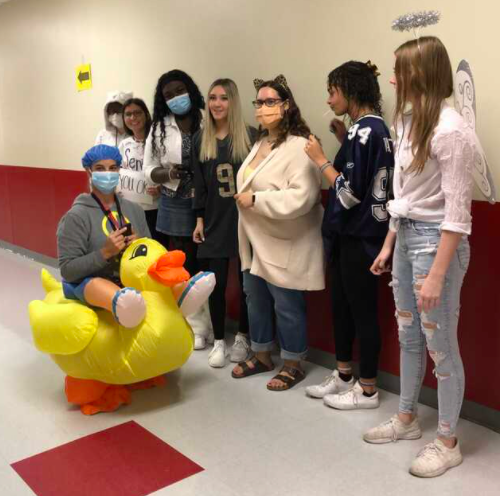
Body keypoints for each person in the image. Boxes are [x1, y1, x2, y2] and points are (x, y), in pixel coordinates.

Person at [363, 36, 475, 478]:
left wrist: (436, 275)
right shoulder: (409, 124)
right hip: (408, 238)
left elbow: (457, 213)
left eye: (399, 70)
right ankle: (407, 418)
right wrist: (390, 245)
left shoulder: (451, 130)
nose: (392, 79)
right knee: (408, 335)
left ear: (420, 74)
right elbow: (403, 195)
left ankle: (448, 440)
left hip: (436, 246)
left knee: (440, 347)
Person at [303, 61, 394, 409]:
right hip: (357, 234)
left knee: (360, 310)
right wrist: (343, 140)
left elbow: (348, 193)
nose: (329, 100)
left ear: (351, 91)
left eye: (333, 91)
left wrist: (320, 159)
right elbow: (367, 172)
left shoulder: (365, 131)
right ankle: (343, 374)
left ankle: (367, 387)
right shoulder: (372, 129)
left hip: (361, 235)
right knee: (341, 305)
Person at [231, 75, 324, 391]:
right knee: (254, 298)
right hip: (255, 240)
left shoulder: (301, 146)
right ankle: (261, 354)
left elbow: (305, 196)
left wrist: (257, 200)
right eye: (259, 102)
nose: (262, 108)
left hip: (286, 239)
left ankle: (294, 362)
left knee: (286, 302)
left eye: (270, 102)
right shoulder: (261, 142)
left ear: (286, 106)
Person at [192, 78, 257, 367]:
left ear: (233, 102)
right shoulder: (200, 140)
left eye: (223, 98)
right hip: (215, 221)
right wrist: (199, 219)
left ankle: (243, 336)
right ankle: (219, 340)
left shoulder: (250, 137)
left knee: (247, 285)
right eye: (212, 97)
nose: (217, 103)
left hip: (245, 221)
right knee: (215, 285)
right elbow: (199, 185)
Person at [144, 70, 212, 340]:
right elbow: (149, 169)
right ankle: (196, 326)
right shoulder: (160, 127)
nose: (175, 98)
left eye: (179, 90)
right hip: (174, 202)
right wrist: (169, 174)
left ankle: (213, 322)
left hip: (208, 201)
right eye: (168, 95)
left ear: (190, 89)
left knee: (207, 261)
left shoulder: (208, 119)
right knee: (184, 265)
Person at [57, 144, 150, 328]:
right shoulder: (76, 217)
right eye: (100, 168)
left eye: (113, 168)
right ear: (89, 171)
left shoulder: (135, 210)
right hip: (93, 285)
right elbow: (68, 270)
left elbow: (152, 255)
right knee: (97, 284)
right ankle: (124, 304)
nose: (108, 173)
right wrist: (105, 253)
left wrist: (140, 245)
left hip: (130, 281)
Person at [118, 98, 166, 245]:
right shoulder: (124, 144)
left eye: (137, 113)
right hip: (130, 209)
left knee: (155, 249)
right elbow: (119, 173)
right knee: (133, 250)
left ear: (146, 114)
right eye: (128, 114)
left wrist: (161, 188)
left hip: (154, 209)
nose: (133, 118)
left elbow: (167, 171)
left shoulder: (158, 142)